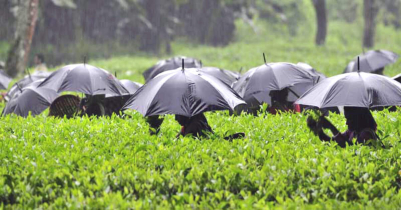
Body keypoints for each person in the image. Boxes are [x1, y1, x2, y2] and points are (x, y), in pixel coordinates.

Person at [307, 107, 378, 147]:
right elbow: (334, 142)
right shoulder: (352, 132)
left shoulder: (366, 134)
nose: (346, 123)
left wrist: (331, 127)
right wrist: (320, 132)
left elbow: (348, 147)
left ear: (358, 119)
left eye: (349, 119)